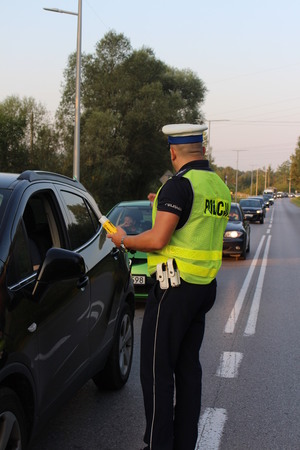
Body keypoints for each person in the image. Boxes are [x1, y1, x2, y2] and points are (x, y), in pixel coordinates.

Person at [107, 123, 231, 450]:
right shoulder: (217, 185)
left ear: (173, 152)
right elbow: (192, 225)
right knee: (188, 370)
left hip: (173, 289)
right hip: (203, 288)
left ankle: (159, 444)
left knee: (156, 371)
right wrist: (159, 203)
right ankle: (184, 443)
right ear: (201, 150)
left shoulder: (179, 185)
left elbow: (159, 238)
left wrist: (124, 239)